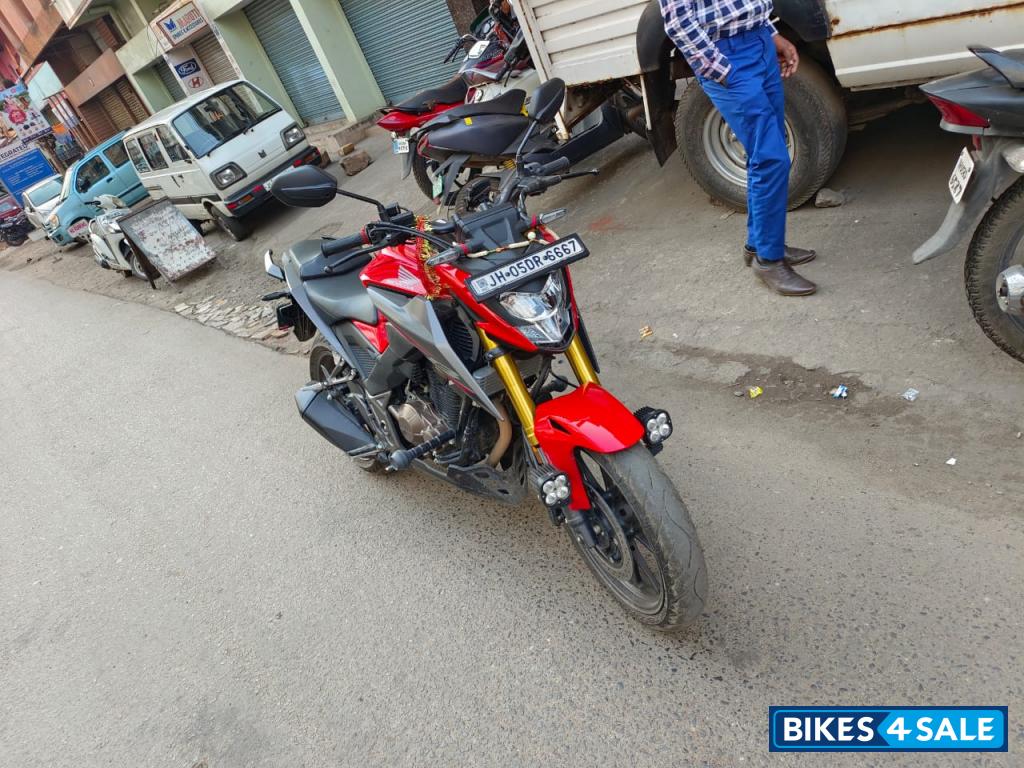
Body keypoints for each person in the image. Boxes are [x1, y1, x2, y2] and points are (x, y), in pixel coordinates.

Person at [660, 0, 817, 296]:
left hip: (758, 40)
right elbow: (679, 24)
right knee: (772, 158)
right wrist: (724, 72)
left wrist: (770, 34)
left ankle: (759, 244)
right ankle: (769, 261)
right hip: (727, 56)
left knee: (765, 153)